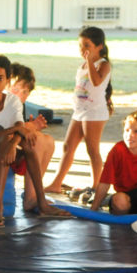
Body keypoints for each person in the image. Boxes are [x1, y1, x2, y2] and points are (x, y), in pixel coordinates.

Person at [0, 54, 71, 228]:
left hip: (4, 152)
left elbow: (21, 128)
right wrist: (12, 133)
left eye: (0, 79)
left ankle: (41, 202)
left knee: (27, 143)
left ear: (7, 81)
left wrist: (14, 142)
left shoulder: (13, 101)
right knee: (5, 138)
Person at [45, 27, 113, 202]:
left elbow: (97, 82)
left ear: (99, 46)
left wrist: (90, 61)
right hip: (80, 112)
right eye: (81, 46)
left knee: (92, 150)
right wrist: (87, 61)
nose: (83, 50)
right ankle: (56, 183)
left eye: (87, 46)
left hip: (94, 113)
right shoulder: (82, 65)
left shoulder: (103, 64)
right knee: (68, 146)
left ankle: (97, 186)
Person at [89, 110, 137, 216]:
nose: (130, 135)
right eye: (127, 130)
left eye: (136, 131)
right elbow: (105, 182)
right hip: (125, 198)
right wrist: (94, 208)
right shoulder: (117, 150)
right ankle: (122, 216)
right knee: (119, 201)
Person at [9, 63, 56, 212]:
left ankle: (33, 193)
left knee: (48, 140)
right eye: (15, 90)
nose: (20, 95)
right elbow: (10, 132)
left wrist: (31, 127)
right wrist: (29, 128)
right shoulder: (0, 103)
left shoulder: (19, 106)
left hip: (14, 148)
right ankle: (30, 198)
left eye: (25, 92)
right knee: (38, 140)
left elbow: (20, 131)